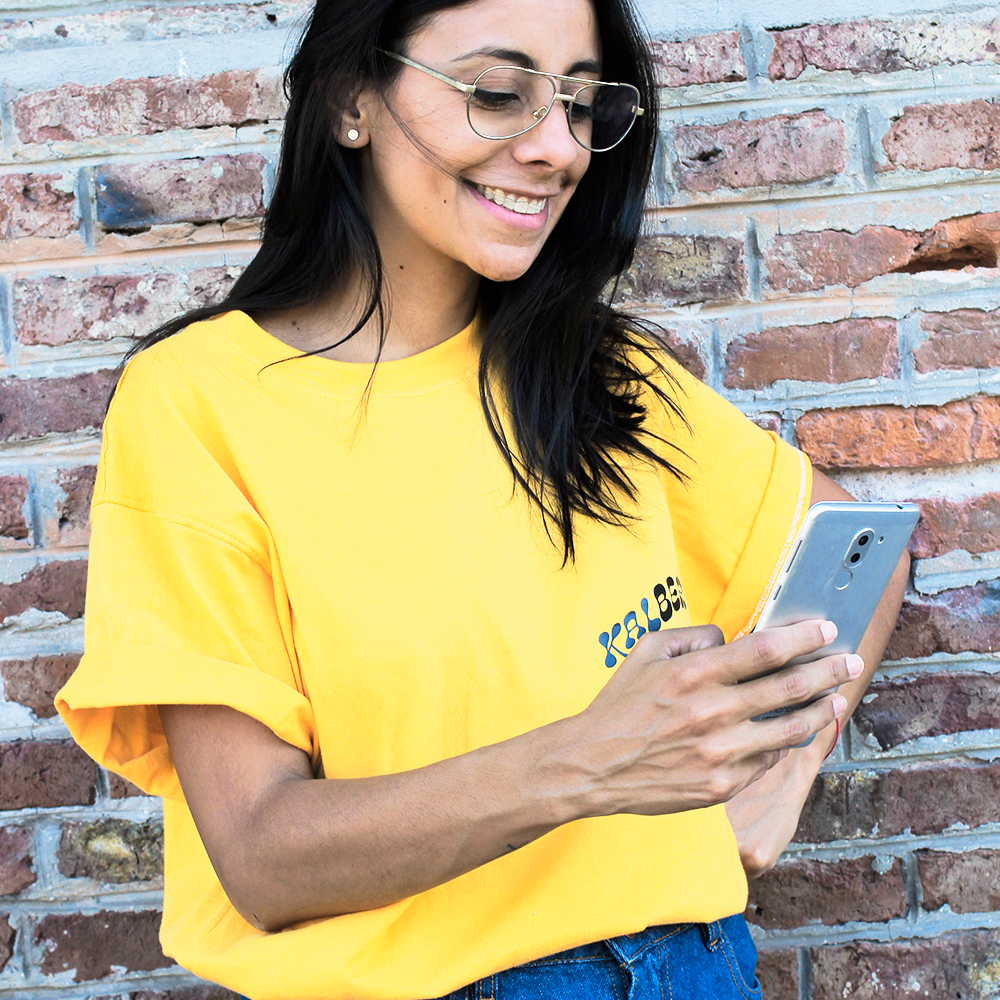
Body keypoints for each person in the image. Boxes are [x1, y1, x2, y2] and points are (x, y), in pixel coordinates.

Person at [56, 0, 909, 997]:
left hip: (691, 965)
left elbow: (860, 544)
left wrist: (786, 771)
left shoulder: (600, 370)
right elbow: (262, 856)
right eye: (498, 93)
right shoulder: (198, 403)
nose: (556, 148)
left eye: (583, 105)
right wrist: (591, 759)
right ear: (349, 102)